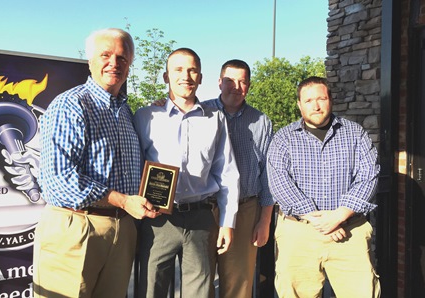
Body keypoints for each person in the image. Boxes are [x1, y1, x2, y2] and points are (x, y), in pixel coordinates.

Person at [32, 28, 159, 298]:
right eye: (106, 55)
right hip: (76, 227)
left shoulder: (126, 111)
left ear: (130, 65)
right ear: (90, 62)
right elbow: (58, 181)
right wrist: (123, 200)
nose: (114, 63)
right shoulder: (71, 105)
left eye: (122, 58)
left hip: (122, 230)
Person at [133, 48, 240, 298]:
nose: (186, 76)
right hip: (156, 219)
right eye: (178, 70)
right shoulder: (145, 116)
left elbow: (227, 172)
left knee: (200, 293)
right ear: (165, 76)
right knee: (151, 290)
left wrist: (227, 222)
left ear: (201, 77)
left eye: (192, 70)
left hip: (201, 218)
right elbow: (133, 168)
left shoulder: (216, 119)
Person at [266, 76, 381, 297]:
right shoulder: (283, 138)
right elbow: (279, 182)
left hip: (349, 230)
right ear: (299, 104)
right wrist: (321, 221)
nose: (316, 106)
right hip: (298, 233)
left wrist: (339, 216)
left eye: (321, 98)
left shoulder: (355, 133)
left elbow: (369, 175)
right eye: (308, 100)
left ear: (331, 100)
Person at [203, 59, 275, 298]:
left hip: (245, 210)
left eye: (242, 81)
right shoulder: (199, 113)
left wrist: (264, 222)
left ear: (249, 86)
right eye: (230, 80)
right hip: (204, 210)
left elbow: (268, 175)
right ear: (219, 82)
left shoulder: (261, 122)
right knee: (200, 283)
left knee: (238, 285)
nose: (236, 86)